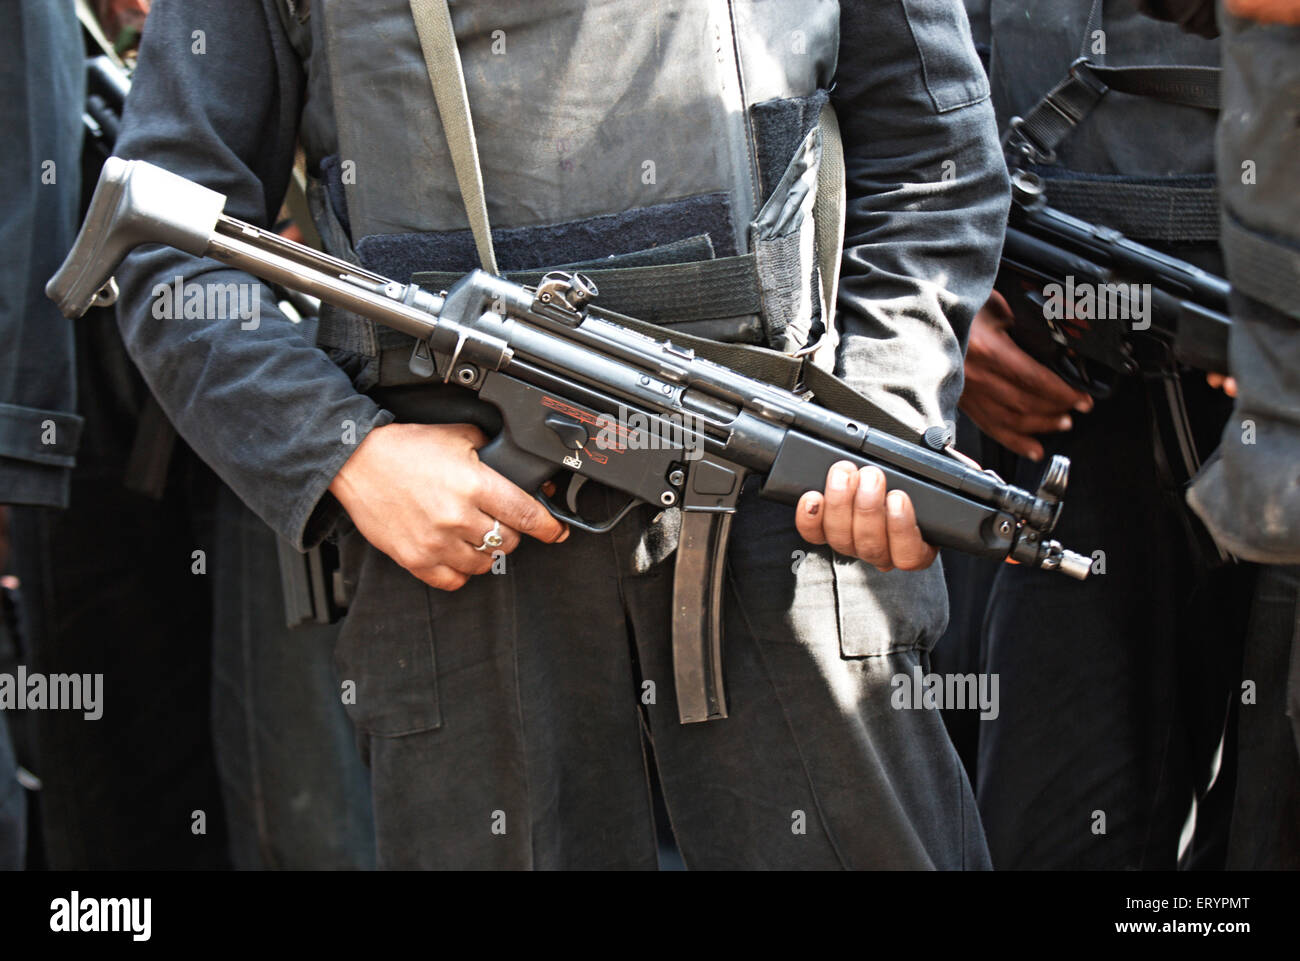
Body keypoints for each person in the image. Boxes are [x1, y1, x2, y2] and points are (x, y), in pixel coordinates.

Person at [112, 0, 1009, 868]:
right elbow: (160, 238)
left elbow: (936, 155)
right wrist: (344, 449)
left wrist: (880, 418)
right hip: (467, 544)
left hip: (781, 504)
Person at [936, 0, 1254, 869]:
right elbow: (837, 50)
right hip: (1053, 353)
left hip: (1264, 319)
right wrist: (937, 290)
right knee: (1051, 831)